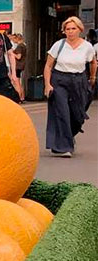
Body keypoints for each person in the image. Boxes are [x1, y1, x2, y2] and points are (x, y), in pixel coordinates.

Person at [43, 16, 97, 158]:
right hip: (60, 80)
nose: (71, 32)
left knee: (77, 115)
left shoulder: (87, 46)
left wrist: (92, 77)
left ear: (80, 30)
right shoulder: (59, 45)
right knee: (62, 112)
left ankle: (68, 135)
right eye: (68, 29)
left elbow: (93, 62)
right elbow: (48, 66)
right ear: (64, 31)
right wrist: (47, 84)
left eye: (74, 29)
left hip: (79, 80)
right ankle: (64, 147)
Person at [10, 32, 27, 101]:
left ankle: (18, 97)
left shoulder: (20, 46)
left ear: (17, 39)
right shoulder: (24, 45)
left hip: (17, 66)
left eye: (14, 39)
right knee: (19, 82)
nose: (13, 41)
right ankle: (22, 96)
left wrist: (12, 54)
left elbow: (18, 56)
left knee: (16, 82)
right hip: (21, 65)